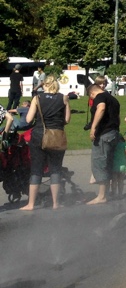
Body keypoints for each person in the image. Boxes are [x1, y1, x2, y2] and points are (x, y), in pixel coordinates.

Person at [19, 75, 71, 211]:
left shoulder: (38, 98)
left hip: (39, 135)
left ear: (44, 85)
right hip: (57, 135)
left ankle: (30, 204)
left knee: (36, 169)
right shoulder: (64, 98)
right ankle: (56, 203)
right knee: (55, 169)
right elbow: (67, 120)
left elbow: (29, 119)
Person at [87, 76, 120, 205]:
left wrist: (93, 128)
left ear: (92, 93)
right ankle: (106, 193)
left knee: (100, 163)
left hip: (104, 134)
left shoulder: (100, 97)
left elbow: (101, 108)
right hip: (113, 133)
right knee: (108, 163)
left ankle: (101, 196)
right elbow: (118, 117)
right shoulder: (114, 99)